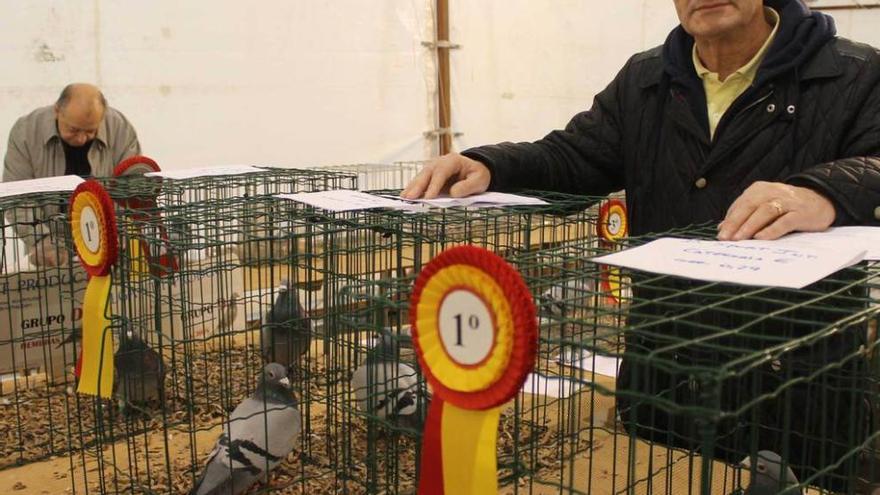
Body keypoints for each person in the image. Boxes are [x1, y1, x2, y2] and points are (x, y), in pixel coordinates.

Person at [403, 0, 880, 491]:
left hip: (799, 389)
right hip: (665, 378)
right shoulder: (646, 77)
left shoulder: (853, 72)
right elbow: (576, 154)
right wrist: (492, 164)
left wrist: (825, 191)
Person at [3, 83, 141, 267]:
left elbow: (132, 187)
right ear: (57, 111)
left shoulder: (120, 129)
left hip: (107, 240)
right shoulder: (26, 132)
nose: (81, 139)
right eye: (74, 130)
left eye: (91, 131)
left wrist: (121, 234)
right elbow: (17, 196)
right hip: (50, 239)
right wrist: (41, 241)